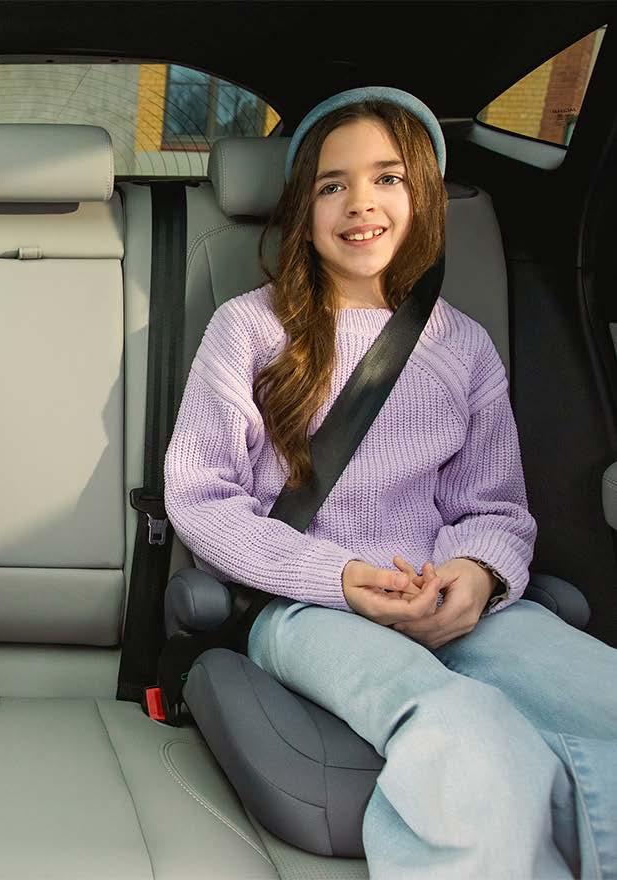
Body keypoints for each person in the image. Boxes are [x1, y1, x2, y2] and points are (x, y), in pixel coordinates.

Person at [164, 87, 617, 878]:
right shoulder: (250, 328)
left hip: (448, 601)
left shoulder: (461, 346)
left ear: (425, 198)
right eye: (331, 185)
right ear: (303, 209)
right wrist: (338, 576)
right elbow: (200, 497)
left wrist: (475, 576)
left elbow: (494, 506)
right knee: (465, 732)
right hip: (306, 606)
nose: (360, 203)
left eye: (387, 178)